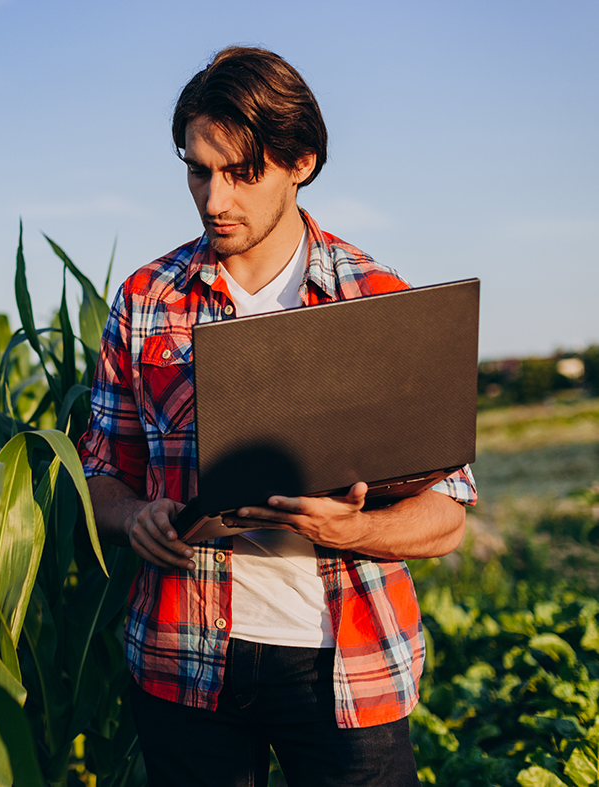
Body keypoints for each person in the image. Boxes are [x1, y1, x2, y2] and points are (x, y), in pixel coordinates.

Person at [78, 46, 476, 787]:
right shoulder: (143, 300)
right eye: (198, 170)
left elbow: (448, 514)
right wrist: (133, 517)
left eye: (240, 172)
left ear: (301, 162)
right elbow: (100, 472)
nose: (213, 198)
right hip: (181, 659)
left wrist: (352, 529)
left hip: (346, 670)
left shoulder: (377, 297)